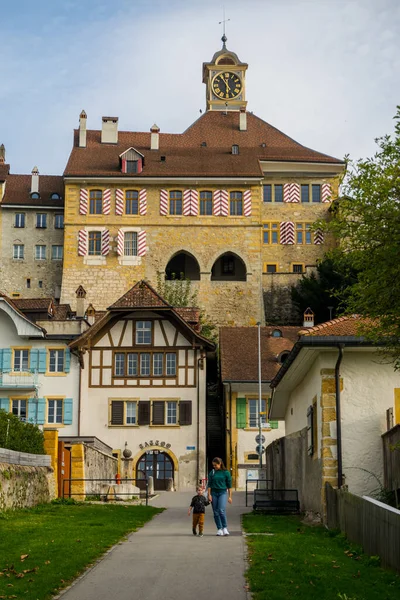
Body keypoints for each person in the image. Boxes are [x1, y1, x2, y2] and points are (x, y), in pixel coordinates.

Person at [207, 457, 232, 536]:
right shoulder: (212, 472)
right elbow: (209, 485)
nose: (214, 467)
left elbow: (229, 486)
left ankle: (225, 527)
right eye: (213, 465)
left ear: (220, 463)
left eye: (216, 465)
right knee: (215, 512)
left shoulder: (226, 473)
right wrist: (209, 495)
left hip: (222, 493)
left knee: (221, 510)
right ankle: (219, 529)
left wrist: (230, 496)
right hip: (214, 493)